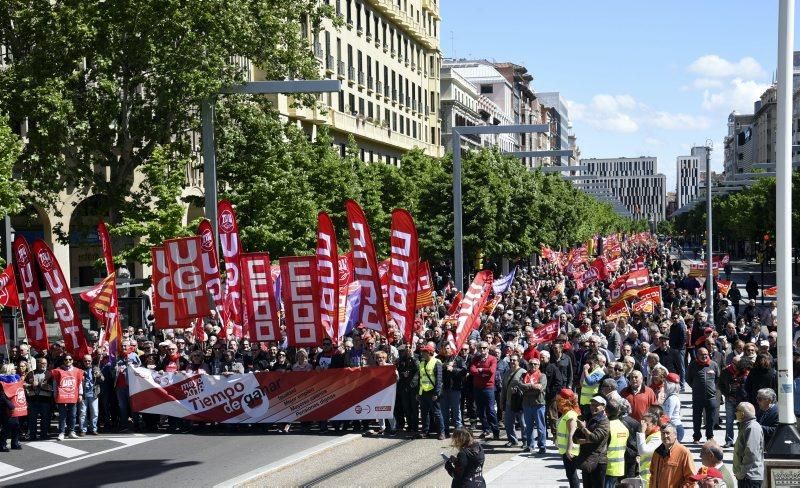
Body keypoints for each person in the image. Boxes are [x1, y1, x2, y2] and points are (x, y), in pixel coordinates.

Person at [574, 396, 610, 488]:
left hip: (598, 461)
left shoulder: (604, 421)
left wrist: (583, 428)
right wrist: (586, 440)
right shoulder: (587, 418)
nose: (593, 407)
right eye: (592, 405)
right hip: (586, 460)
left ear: (603, 407)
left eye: (596, 405)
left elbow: (595, 438)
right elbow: (575, 438)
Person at [687, 347, 720, 443]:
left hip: (711, 397)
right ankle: (696, 437)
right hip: (697, 397)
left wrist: (713, 388)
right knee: (696, 418)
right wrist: (695, 387)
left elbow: (717, 378)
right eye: (701, 354)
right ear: (697, 356)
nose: (704, 356)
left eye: (705, 354)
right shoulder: (693, 365)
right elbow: (688, 379)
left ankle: (710, 436)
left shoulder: (713, 365)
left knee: (711, 418)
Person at [648, 422, 696, 488]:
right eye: (663, 433)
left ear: (675, 435)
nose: (665, 436)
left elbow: (691, 479)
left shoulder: (684, 452)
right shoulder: (657, 452)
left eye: (668, 433)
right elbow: (652, 475)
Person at [469, 341, 499, 440]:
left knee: (490, 410)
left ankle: (495, 431)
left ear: (487, 348)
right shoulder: (476, 359)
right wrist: (482, 371)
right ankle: (486, 429)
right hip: (477, 388)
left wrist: (480, 370)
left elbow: (491, 371)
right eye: (481, 348)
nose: (483, 350)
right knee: (480, 411)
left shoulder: (492, 359)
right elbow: (472, 370)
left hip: (488, 388)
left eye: (484, 348)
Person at [51, 355, 84, 441]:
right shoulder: (58, 371)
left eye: (70, 359)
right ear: (63, 360)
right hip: (62, 396)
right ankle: (61, 432)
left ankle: (71, 432)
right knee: (62, 415)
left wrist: (80, 394)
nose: (68, 361)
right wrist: (55, 394)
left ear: (72, 360)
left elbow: (79, 383)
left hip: (73, 396)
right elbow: (55, 383)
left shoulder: (77, 371)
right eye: (66, 359)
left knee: (73, 415)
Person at [719, 355, 749, 448]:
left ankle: (740, 441)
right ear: (732, 363)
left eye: (739, 364)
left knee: (741, 421)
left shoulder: (745, 372)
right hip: (730, 400)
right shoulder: (725, 371)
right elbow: (720, 385)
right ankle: (729, 440)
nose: (738, 366)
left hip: (741, 401)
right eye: (736, 364)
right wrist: (727, 395)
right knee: (729, 421)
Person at [733, 402, 764, 488]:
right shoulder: (746, 426)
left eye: (737, 410)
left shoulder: (752, 428)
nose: (735, 413)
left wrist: (741, 473)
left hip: (749, 477)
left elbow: (751, 453)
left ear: (742, 413)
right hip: (746, 476)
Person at [520, 356, 547, 454]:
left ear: (539, 365)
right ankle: (530, 445)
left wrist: (527, 387)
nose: (533, 366)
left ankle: (542, 446)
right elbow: (520, 386)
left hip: (538, 404)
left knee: (540, 427)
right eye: (531, 364)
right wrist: (532, 386)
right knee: (529, 427)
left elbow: (540, 388)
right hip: (527, 404)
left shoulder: (542, 376)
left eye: (535, 364)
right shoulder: (524, 375)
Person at [417, 344, 445, 440]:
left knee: (437, 413)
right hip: (423, 391)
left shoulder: (437, 362)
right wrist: (418, 393)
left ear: (429, 353)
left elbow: (439, 380)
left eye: (424, 352)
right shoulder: (421, 363)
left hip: (432, 392)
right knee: (424, 413)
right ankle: (425, 432)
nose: (422, 354)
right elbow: (420, 379)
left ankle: (441, 432)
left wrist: (436, 393)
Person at [555, 389, 581, 488]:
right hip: (566, 450)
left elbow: (571, 434)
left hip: (571, 451)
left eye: (559, 401)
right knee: (570, 474)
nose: (557, 404)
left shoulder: (570, 415)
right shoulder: (566, 414)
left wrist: (569, 450)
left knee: (571, 474)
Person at [439, 343, 466, 437]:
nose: (446, 350)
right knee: (444, 411)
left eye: (447, 348)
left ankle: (459, 431)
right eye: (444, 348)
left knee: (456, 411)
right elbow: (436, 368)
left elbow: (464, 371)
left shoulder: (458, 359)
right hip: (443, 389)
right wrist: (446, 365)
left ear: (451, 349)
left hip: (455, 389)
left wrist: (453, 369)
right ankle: (445, 430)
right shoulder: (439, 359)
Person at [500, 353, 525, 447]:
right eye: (511, 360)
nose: (512, 362)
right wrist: (502, 402)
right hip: (509, 401)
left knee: (523, 423)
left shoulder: (523, 372)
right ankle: (512, 440)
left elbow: (526, 386)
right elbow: (503, 389)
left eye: (514, 360)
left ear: (518, 361)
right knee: (508, 423)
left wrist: (518, 390)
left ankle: (525, 441)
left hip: (520, 402)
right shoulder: (507, 372)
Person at [24, 357, 52, 440]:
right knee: (32, 419)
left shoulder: (49, 374)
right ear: (37, 363)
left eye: (45, 363)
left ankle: (44, 434)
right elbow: (24, 385)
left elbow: (50, 387)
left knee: (45, 418)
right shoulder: (30, 373)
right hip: (33, 399)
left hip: (45, 400)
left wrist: (39, 384)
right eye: (42, 363)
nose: (44, 365)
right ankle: (32, 435)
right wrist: (31, 385)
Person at [604, 399, 629, 488]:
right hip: (619, 466)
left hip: (607, 466)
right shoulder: (624, 427)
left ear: (606, 412)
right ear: (618, 412)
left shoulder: (606, 426)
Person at [78, 354, 103, 436]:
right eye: (85, 361)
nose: (87, 362)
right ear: (83, 361)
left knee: (95, 412)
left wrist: (99, 376)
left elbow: (103, 379)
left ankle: (94, 429)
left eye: (89, 360)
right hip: (83, 394)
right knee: (83, 413)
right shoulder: (80, 370)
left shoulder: (96, 368)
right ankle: (83, 429)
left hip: (94, 394)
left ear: (91, 361)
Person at [636, 412, 663, 487]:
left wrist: (642, 432)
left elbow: (643, 452)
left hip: (650, 477)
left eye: (646, 424)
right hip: (645, 476)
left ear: (654, 425)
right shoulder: (650, 435)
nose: (643, 426)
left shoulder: (658, 437)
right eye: (642, 423)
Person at [0, 364, 21, 451]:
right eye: (12, 369)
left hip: (14, 405)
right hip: (4, 406)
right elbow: (1, 395)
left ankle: (15, 443)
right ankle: (2, 444)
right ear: (8, 370)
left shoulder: (15, 379)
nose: (15, 370)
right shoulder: (1, 381)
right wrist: (9, 404)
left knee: (16, 425)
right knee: (7, 426)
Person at [578, 353, 605, 418]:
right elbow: (581, 383)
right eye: (587, 363)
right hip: (585, 402)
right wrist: (584, 371)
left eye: (590, 363)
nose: (588, 365)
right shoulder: (591, 371)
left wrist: (585, 370)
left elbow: (590, 382)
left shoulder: (599, 372)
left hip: (592, 403)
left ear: (596, 362)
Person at [661, 372, 684, 441]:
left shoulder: (672, 399)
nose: (664, 385)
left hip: (674, 428)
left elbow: (668, 417)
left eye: (665, 382)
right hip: (673, 427)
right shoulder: (672, 397)